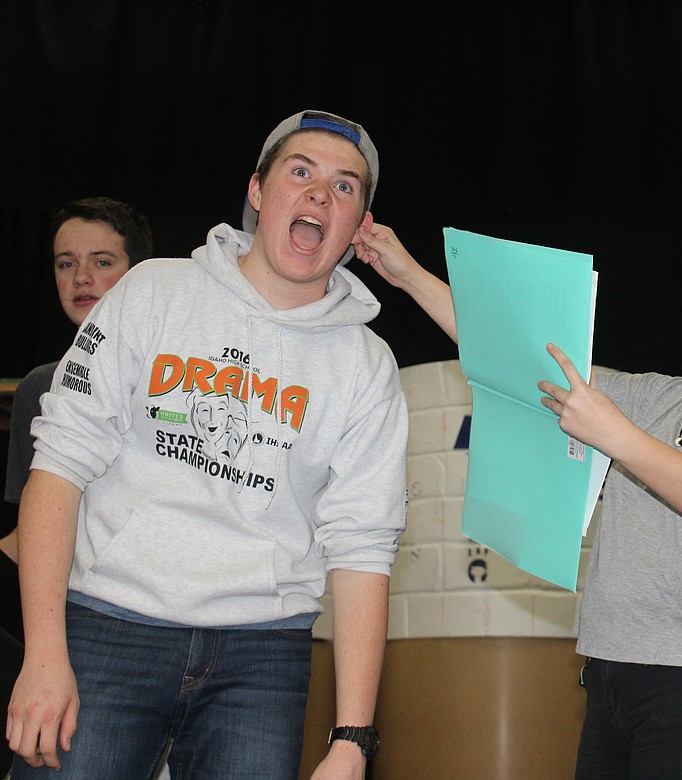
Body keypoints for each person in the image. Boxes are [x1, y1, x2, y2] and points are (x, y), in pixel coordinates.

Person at [352, 216, 682, 777]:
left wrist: (616, 436)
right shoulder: (656, 397)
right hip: (612, 676)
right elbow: (519, 356)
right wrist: (406, 274)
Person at [5, 110, 408, 780]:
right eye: (300, 171)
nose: (318, 194)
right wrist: (44, 653)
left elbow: (365, 545)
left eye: (345, 187)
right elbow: (60, 464)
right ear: (257, 190)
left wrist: (352, 740)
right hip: (109, 627)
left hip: (263, 658)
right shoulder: (154, 292)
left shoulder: (366, 366)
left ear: (358, 225)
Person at [2, 197, 154, 645]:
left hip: (157, 610)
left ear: (141, 274)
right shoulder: (41, 386)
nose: (82, 278)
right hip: (62, 609)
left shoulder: (178, 382)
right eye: (66, 264)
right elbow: (27, 534)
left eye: (101, 261)